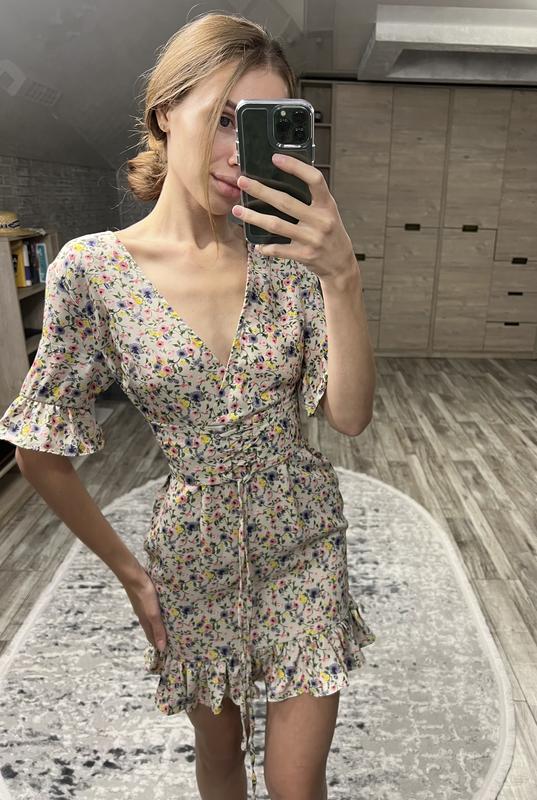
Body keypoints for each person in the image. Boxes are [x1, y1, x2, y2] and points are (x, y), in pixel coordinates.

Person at [0, 12, 377, 800]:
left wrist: (341, 277)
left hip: (302, 537)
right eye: (226, 118)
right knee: (221, 751)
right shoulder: (92, 271)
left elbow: (347, 416)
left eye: (264, 126)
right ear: (166, 111)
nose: (241, 151)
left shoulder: (291, 259)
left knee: (296, 784)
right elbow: (38, 450)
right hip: (192, 550)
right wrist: (132, 576)